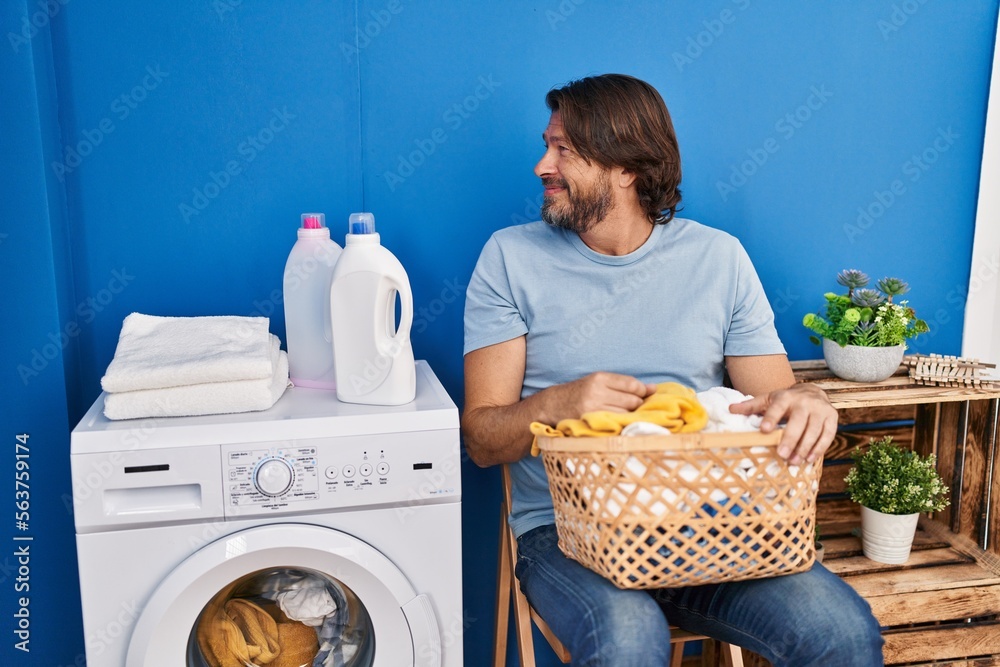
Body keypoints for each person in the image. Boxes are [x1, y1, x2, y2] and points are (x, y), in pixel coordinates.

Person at [462, 74, 884, 666]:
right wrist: (556, 406)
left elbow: (777, 399)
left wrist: (808, 403)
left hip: (716, 531)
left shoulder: (719, 259)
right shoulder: (510, 259)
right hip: (566, 537)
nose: (541, 166)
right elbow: (481, 439)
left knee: (839, 629)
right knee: (627, 636)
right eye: (546, 145)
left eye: (564, 151)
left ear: (626, 169)